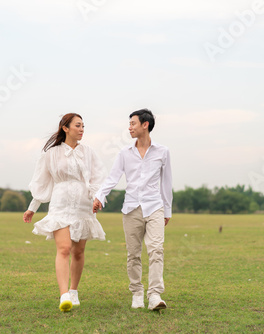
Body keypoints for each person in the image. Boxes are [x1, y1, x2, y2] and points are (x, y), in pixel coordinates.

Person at [23, 113, 105, 312]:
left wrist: (98, 198)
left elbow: (98, 178)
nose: (82, 129)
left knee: (78, 251)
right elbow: (44, 182)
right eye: (78, 125)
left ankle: (74, 290)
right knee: (64, 248)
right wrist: (33, 207)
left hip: (83, 205)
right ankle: (64, 295)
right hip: (60, 204)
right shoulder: (50, 154)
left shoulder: (90, 152)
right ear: (65, 128)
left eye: (83, 126)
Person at [93, 108, 173, 311]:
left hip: (155, 206)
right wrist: (100, 196)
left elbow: (166, 182)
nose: (129, 128)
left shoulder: (163, 152)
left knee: (156, 250)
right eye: (129, 124)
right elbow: (112, 178)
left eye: (133, 124)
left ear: (145, 125)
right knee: (134, 254)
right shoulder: (124, 153)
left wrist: (167, 210)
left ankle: (155, 295)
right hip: (131, 209)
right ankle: (137, 292)